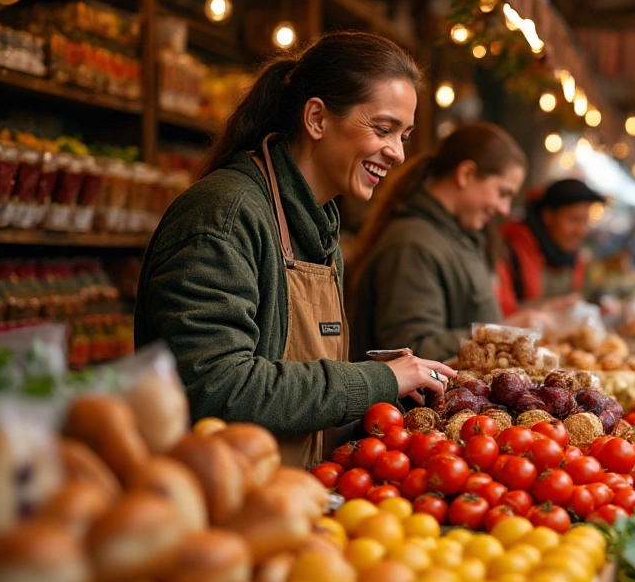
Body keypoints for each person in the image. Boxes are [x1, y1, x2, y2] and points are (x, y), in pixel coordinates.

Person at [135, 32, 455, 468]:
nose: (398, 153)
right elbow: (216, 386)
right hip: (214, 502)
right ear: (318, 118)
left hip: (287, 494)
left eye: (405, 135)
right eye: (383, 129)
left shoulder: (319, 226)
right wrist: (375, 380)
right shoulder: (224, 216)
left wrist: (392, 384)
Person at [349, 122, 528, 362]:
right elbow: (410, 349)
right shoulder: (412, 246)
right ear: (466, 174)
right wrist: (501, 334)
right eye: (502, 193)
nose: (505, 209)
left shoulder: (459, 236)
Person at [496, 178, 605, 316]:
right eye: (573, 219)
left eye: (585, 221)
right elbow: (495, 316)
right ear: (547, 216)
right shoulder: (508, 251)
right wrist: (543, 309)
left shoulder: (573, 257)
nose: (581, 231)